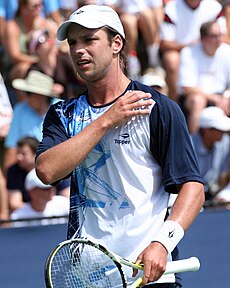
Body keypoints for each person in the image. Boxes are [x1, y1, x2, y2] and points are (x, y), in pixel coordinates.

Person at [35, 5, 204, 287]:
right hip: (88, 278)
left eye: (89, 40)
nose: (78, 50)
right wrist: (106, 121)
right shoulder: (62, 115)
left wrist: (163, 243)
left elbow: (193, 188)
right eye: (73, 42)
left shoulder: (158, 108)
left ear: (116, 44)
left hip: (150, 277)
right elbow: (47, 171)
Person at [159, 0, 226, 101]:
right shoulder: (172, 8)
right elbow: (165, 42)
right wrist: (189, 46)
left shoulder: (214, 6)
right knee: (171, 59)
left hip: (210, 48)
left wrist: (207, 44)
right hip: (181, 50)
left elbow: (224, 35)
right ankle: (175, 102)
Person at [3, 70, 63, 174]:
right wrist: (8, 182)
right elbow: (11, 148)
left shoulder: (63, 109)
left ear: (41, 95)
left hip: (59, 169)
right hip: (26, 171)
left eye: (28, 93)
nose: (25, 96)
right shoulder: (20, 109)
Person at [178, 20, 230, 134]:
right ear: (203, 38)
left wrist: (225, 97)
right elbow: (187, 87)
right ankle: (192, 145)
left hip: (222, 95)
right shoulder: (188, 52)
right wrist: (215, 98)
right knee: (198, 100)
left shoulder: (227, 50)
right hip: (195, 97)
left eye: (220, 35)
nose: (219, 40)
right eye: (214, 36)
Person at [7, 136, 70, 212]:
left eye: (24, 154)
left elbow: (67, 196)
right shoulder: (13, 171)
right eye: (18, 153)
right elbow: (15, 203)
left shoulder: (54, 166)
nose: (19, 157)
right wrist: (36, 210)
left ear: (35, 154)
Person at [190, 106, 230, 204]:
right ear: (206, 130)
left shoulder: (225, 142)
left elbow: (224, 175)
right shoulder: (188, 146)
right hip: (190, 197)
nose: (223, 132)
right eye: (219, 130)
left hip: (212, 196)